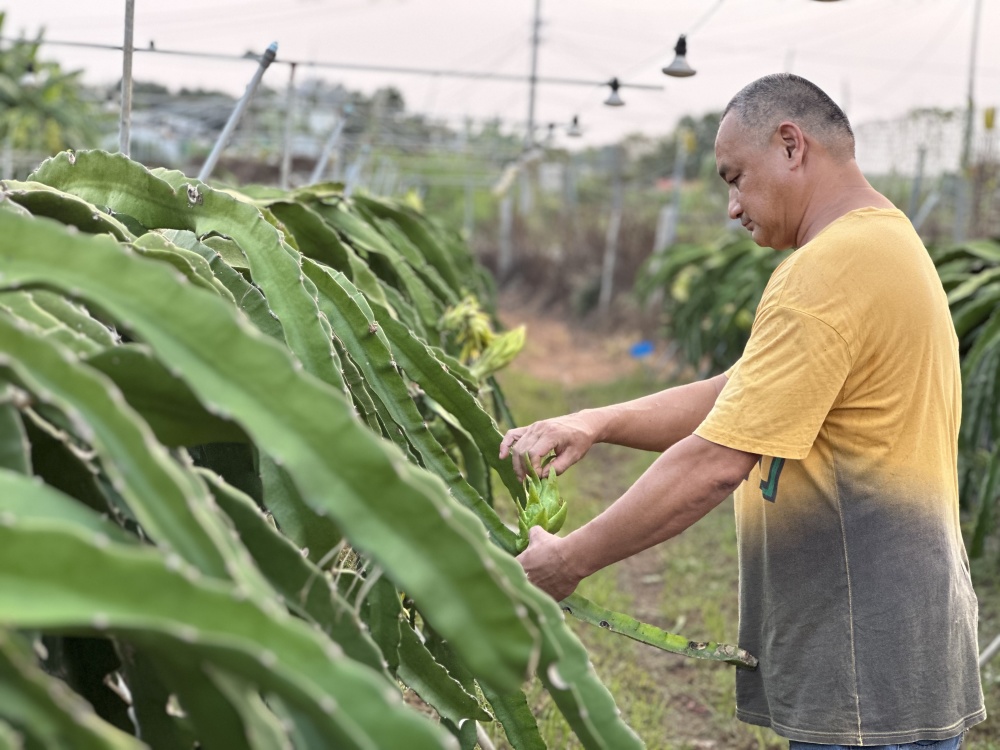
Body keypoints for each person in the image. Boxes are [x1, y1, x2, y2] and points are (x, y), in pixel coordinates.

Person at [500, 73, 985, 749]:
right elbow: (737, 392)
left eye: (735, 177)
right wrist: (596, 421)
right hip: (897, 652)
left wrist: (569, 560)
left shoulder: (827, 272)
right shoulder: (884, 242)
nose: (732, 206)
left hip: (860, 670)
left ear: (791, 145)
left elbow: (717, 461)